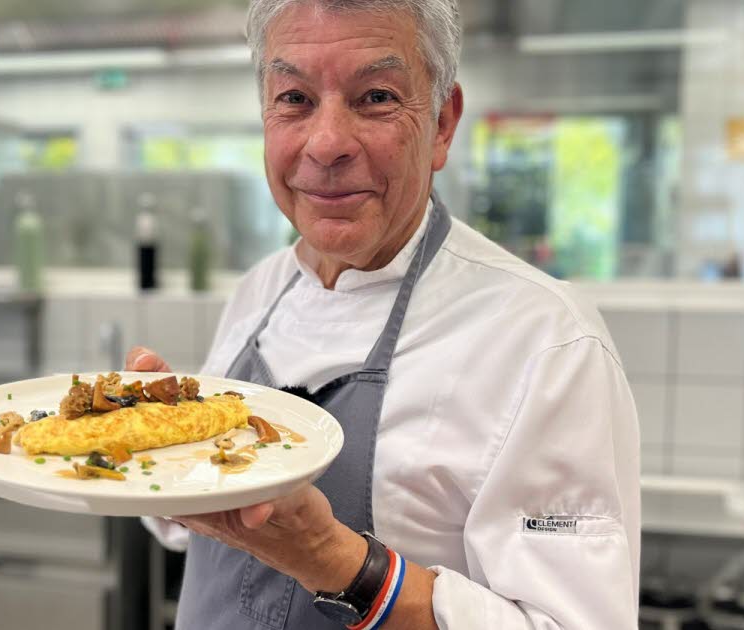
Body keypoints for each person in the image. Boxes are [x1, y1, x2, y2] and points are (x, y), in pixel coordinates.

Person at [129, 0, 641, 627]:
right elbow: (213, 537)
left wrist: (331, 557)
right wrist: (160, 446)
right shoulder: (261, 291)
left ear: (444, 124)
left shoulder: (546, 341)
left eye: (375, 97)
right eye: (294, 98)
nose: (326, 143)